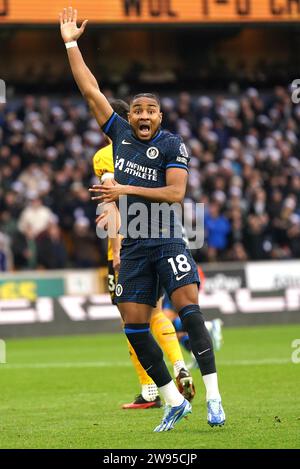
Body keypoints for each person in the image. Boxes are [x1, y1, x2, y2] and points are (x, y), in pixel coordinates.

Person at [60, 7, 225, 431]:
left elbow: (175, 193)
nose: (145, 115)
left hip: (167, 237)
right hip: (133, 241)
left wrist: (123, 190)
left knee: (188, 310)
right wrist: (70, 44)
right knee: (133, 327)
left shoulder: (172, 144)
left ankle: (215, 399)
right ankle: (172, 400)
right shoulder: (117, 136)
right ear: (129, 117)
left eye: (151, 110)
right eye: (138, 110)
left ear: (160, 117)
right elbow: (91, 90)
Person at [93, 99, 195, 408]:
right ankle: (179, 365)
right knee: (156, 310)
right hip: (166, 237)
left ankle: (149, 388)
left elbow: (112, 204)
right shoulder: (160, 145)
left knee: (131, 318)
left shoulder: (105, 155)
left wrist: (115, 250)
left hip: (132, 245)